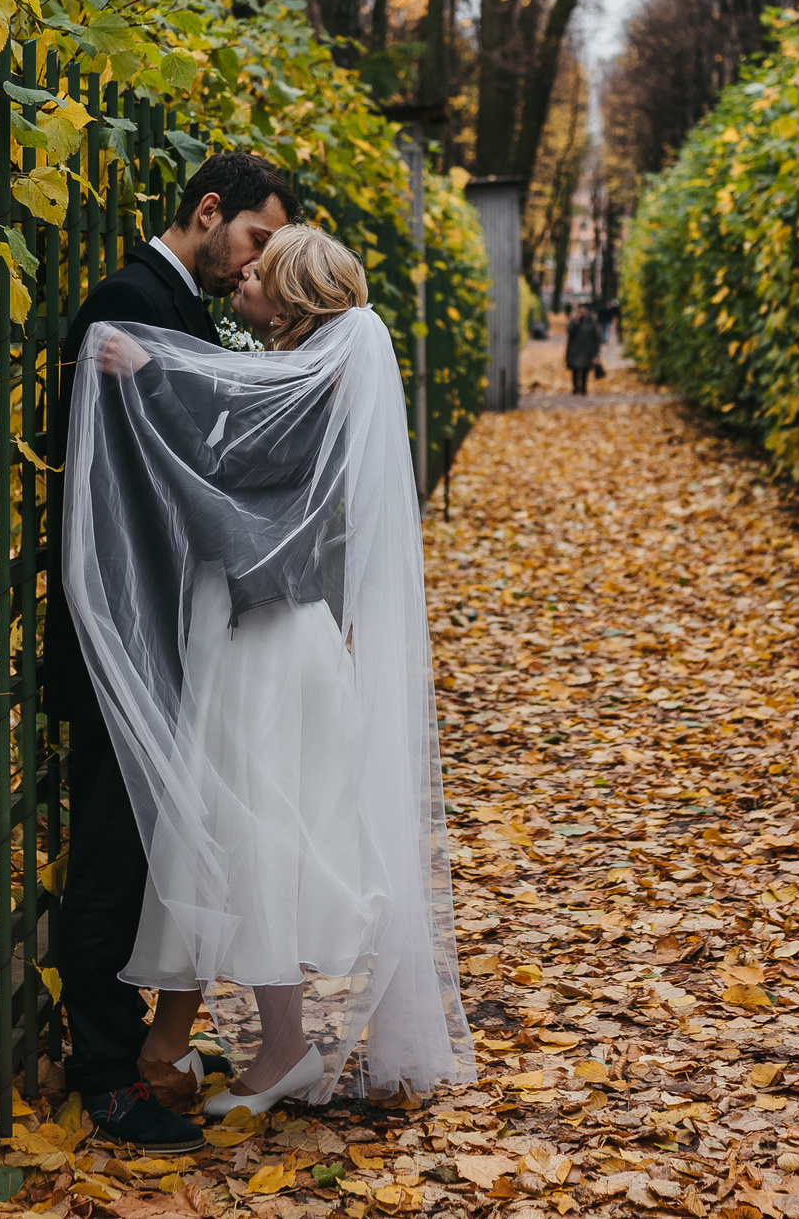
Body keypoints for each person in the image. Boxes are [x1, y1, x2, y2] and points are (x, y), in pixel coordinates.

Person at [65, 226, 474, 1122]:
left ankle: (201, 1046)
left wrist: (147, 376)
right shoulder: (305, 378)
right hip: (267, 632)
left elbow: (223, 473)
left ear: (285, 300)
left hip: (265, 642)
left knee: (239, 831)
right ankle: (276, 1049)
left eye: (258, 271)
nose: (240, 275)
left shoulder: (304, 390)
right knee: (254, 839)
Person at [44, 150, 298, 1153]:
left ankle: (148, 1049)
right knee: (109, 854)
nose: (253, 266)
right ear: (206, 210)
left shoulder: (175, 307)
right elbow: (142, 459)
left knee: (147, 845)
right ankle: (105, 1077)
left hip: (167, 621)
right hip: (124, 623)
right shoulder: (127, 298)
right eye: (254, 238)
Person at [564, 301, 604, 397]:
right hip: (575, 350)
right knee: (575, 370)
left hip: (587, 350)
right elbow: (569, 331)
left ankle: (583, 388)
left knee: (585, 370)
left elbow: (596, 337)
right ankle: (575, 388)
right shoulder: (574, 321)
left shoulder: (592, 322)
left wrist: (596, 351)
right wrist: (576, 322)